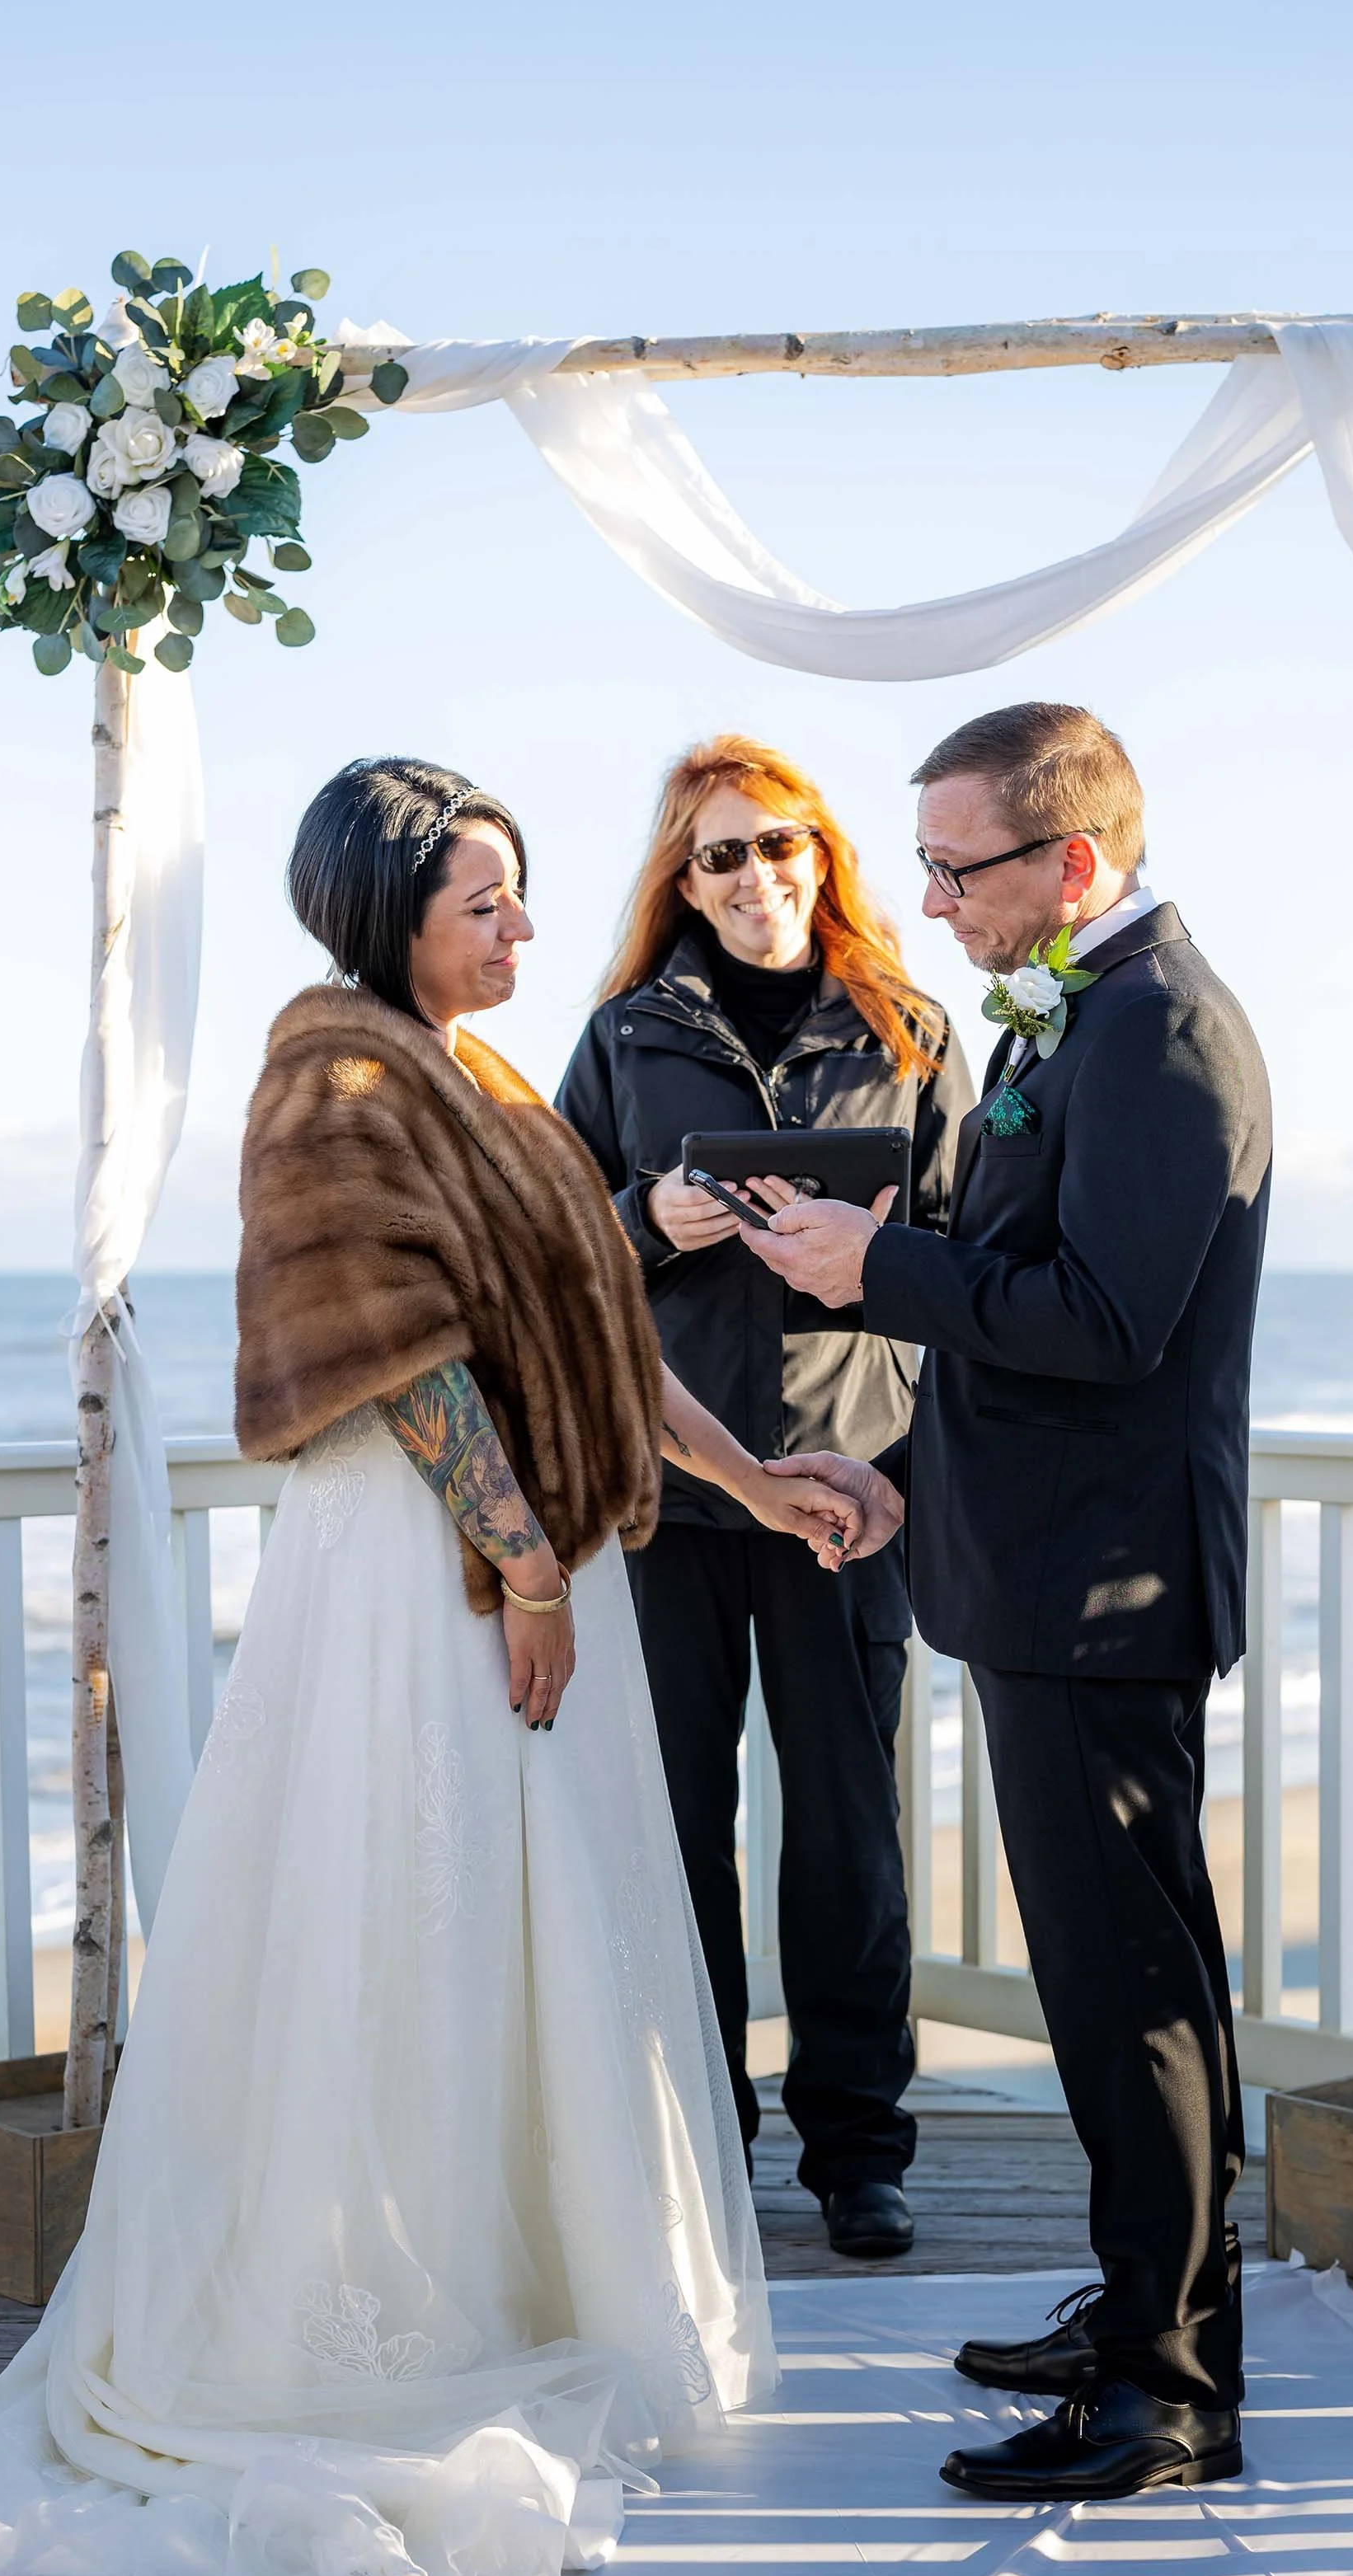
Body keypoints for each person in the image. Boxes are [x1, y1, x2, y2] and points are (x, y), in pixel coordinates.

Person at [0, 758, 897, 2576]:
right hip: (421, 1571)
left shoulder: (484, 1080)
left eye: (523, 896)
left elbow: (604, 1354)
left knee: (540, 1929)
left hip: (539, 1561)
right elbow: (405, 1358)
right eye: (488, 902)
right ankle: (384, 2300)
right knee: (415, 1915)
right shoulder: (341, 1073)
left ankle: (537, 2275)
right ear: (387, 914)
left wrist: (760, 1486)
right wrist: (525, 1562)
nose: (529, 929)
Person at [750, 701, 1271, 2503]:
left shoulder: (1164, 1033)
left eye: (960, 867)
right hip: (1042, 1565)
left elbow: (1108, 1327)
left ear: (1075, 865)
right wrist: (911, 1474)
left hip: (1105, 1595)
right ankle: (1153, 2305)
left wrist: (872, 1267)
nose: (932, 900)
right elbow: (1031, 1299)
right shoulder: (1082, 1017)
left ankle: (1170, 2391)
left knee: (1131, 1993)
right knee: (1117, 1978)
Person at [557, 736, 973, 2259]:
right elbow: (552, 1253)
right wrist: (642, 1218)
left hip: (845, 1495)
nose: (755, 877)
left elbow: (963, 1261)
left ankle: (859, 2149)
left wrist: (910, 1477)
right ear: (685, 875)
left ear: (824, 853)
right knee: (679, 1828)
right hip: (671, 1497)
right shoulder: (622, 1034)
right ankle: (699, 2141)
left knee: (850, 1832)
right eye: (719, 854)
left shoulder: (910, 1023)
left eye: (779, 844)